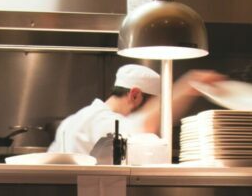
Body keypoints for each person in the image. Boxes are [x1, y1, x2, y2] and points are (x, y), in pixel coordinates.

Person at [49, 63, 224, 155]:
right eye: (153, 105)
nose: (155, 112)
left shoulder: (72, 120)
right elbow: (144, 125)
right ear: (134, 95)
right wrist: (189, 85)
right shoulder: (104, 121)